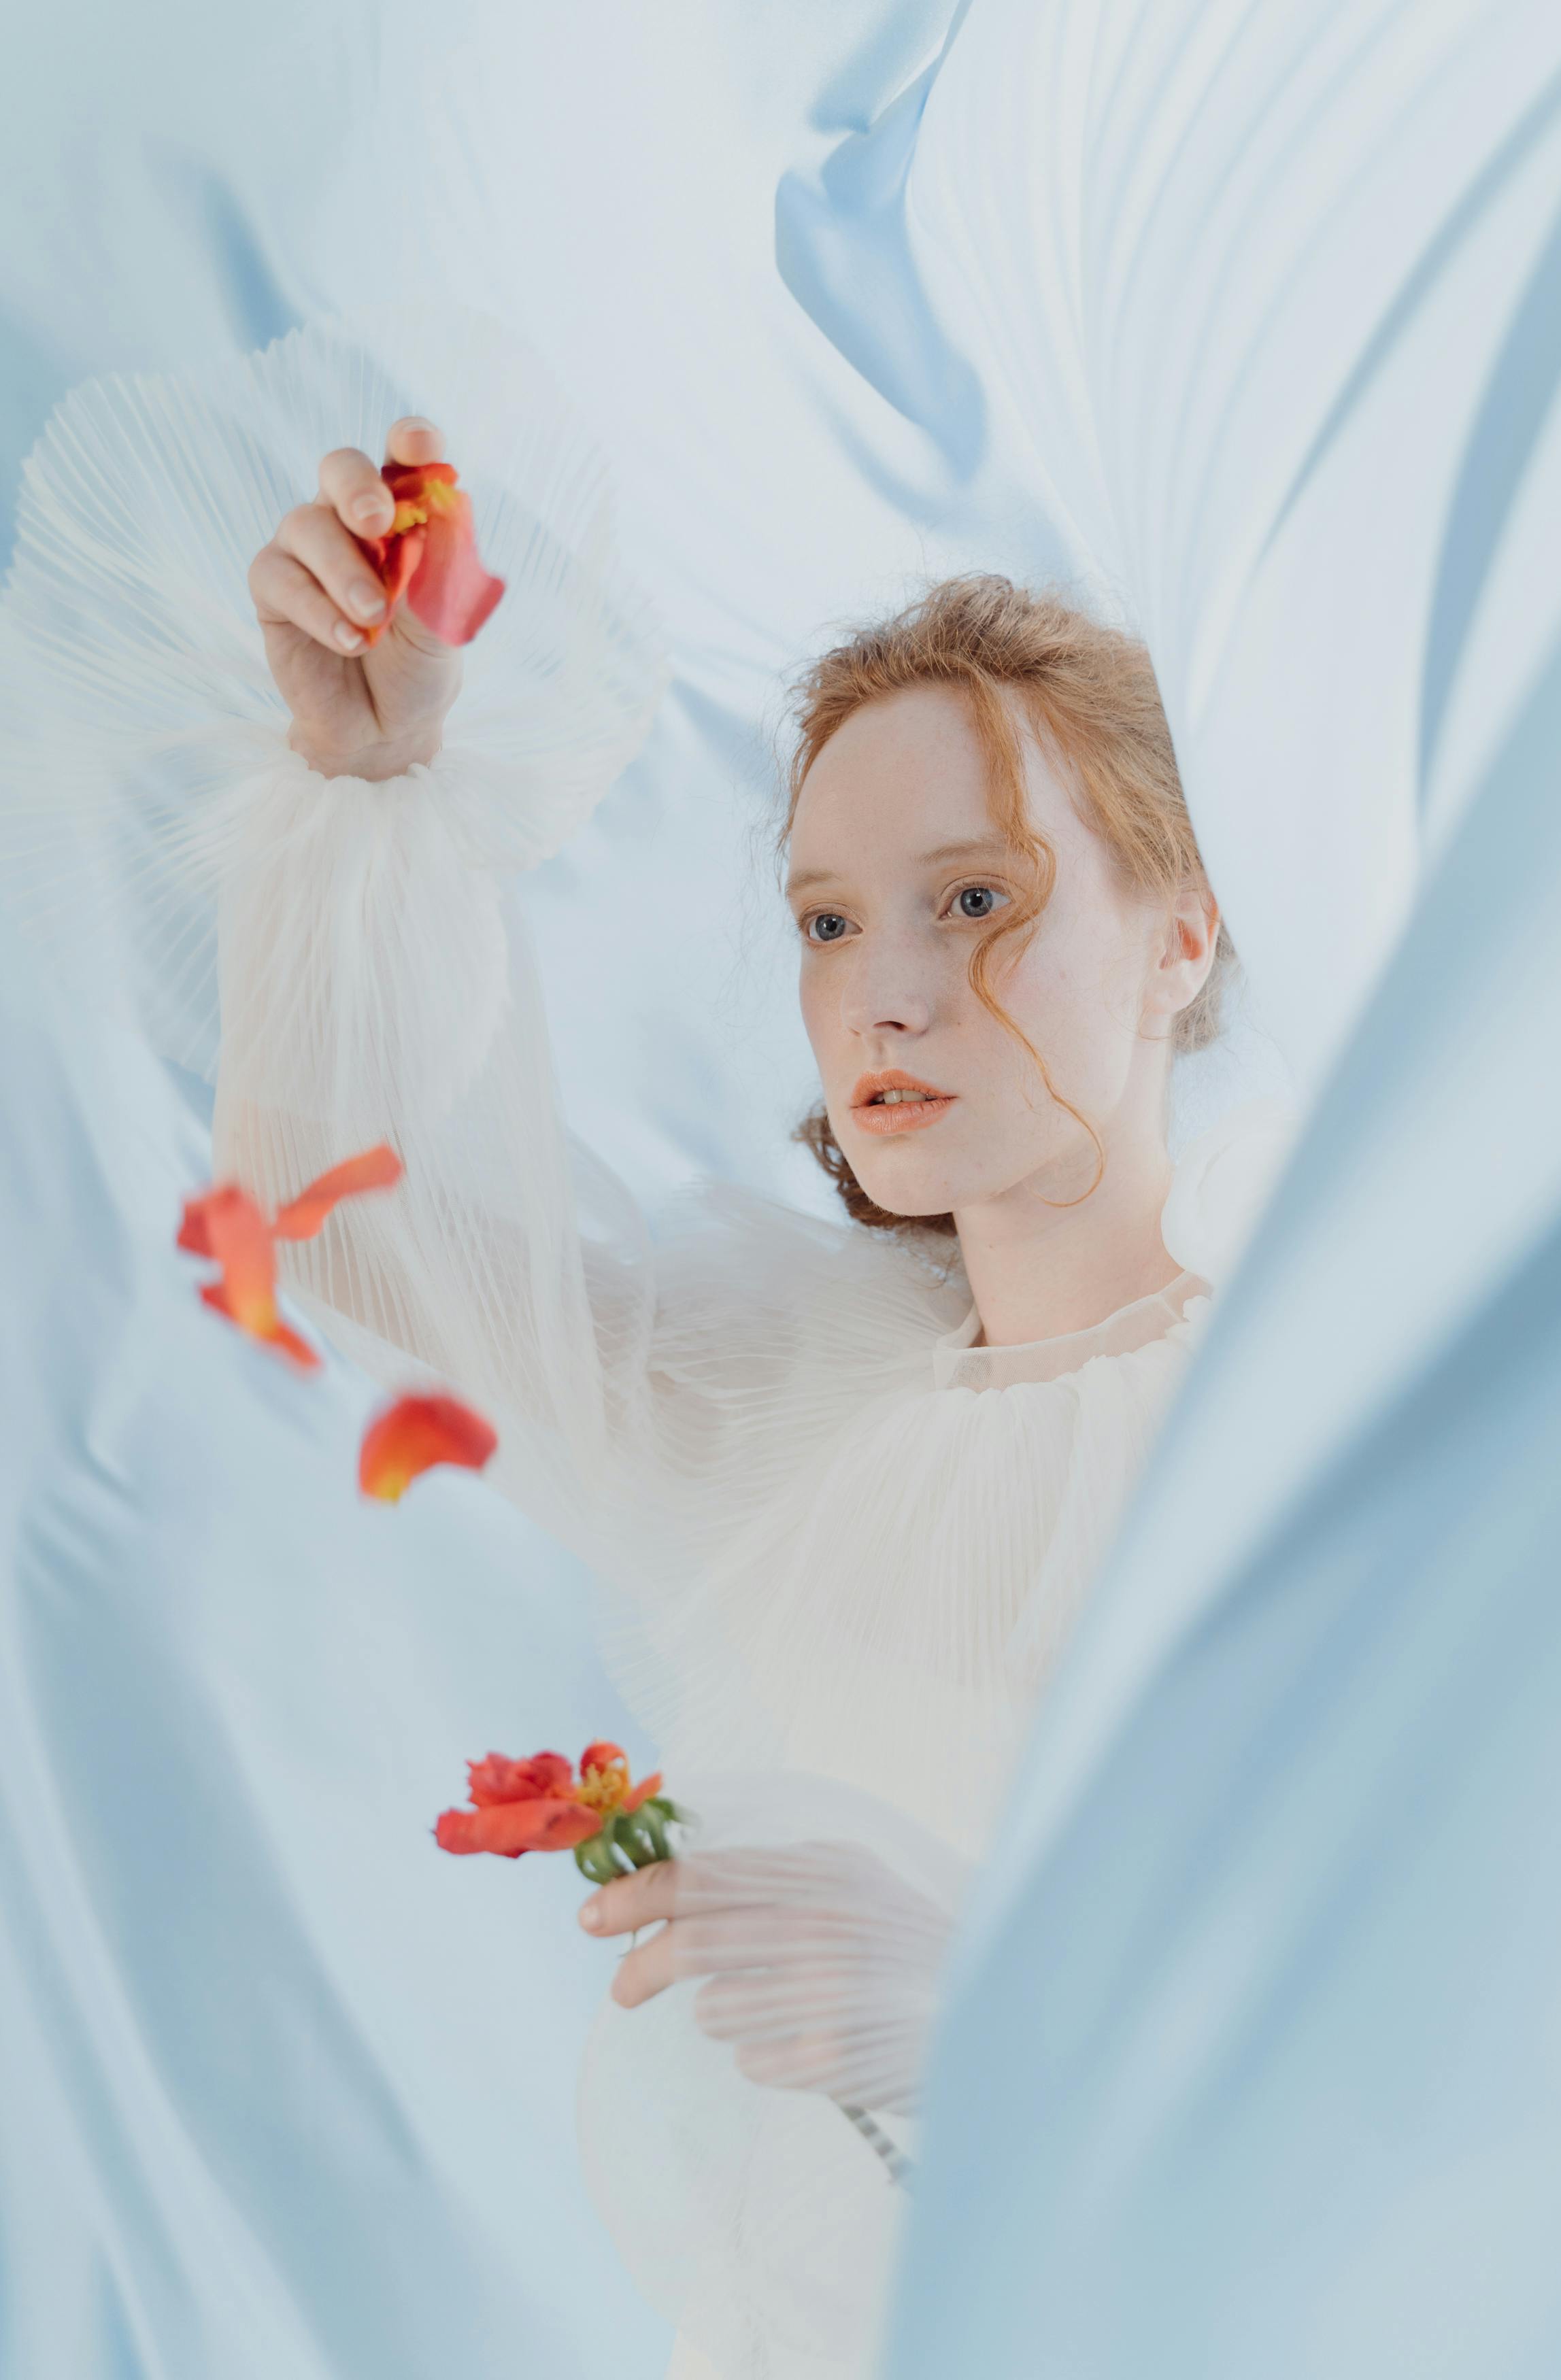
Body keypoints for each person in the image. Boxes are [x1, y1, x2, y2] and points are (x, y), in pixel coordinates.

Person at [6, 323, 1283, 2380]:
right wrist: (370, 770)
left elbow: (1465, 2025)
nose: (884, 994)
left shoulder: (1324, 1419)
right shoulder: (798, 1409)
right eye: (825, 920)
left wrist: (986, 2014)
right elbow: (365, 1241)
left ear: (1182, 936)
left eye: (977, 896)